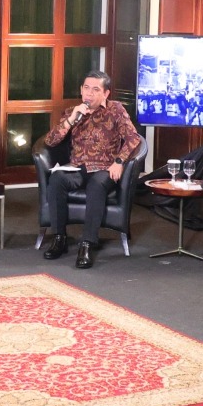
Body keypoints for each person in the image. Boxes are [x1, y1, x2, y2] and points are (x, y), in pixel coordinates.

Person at [40, 70, 142, 270]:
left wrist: (119, 162)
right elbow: (50, 141)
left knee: (96, 185)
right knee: (57, 179)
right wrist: (72, 119)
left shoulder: (115, 109)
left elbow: (133, 138)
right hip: (77, 168)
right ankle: (59, 238)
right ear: (81, 90)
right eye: (86, 88)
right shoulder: (73, 111)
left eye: (95, 89)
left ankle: (87, 244)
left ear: (105, 93)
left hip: (104, 169)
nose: (89, 93)